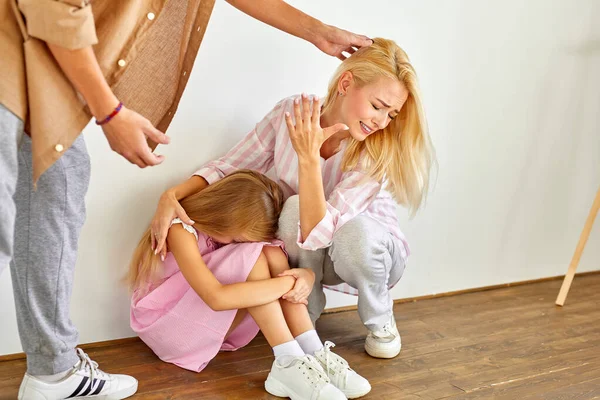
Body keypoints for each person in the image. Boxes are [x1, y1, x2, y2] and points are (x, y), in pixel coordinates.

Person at [0, 0, 373, 398]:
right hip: (15, 64)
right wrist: (109, 112)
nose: (383, 120)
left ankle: (308, 355)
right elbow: (55, 10)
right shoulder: (185, 230)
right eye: (380, 107)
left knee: (59, 197)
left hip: (40, 77)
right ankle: (288, 361)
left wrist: (315, 31)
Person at [151, 38, 436, 362]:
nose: (382, 122)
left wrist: (308, 160)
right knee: (291, 209)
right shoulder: (291, 113)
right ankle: (305, 315)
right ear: (346, 83)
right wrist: (171, 195)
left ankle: (379, 318)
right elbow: (230, 165)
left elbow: (324, 229)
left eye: (392, 114)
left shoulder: (375, 150)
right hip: (313, 253)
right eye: (377, 106)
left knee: (353, 233)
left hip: (369, 254)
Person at [129, 169, 372, 399]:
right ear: (224, 215)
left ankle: (312, 351)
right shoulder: (180, 230)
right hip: (169, 327)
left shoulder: (223, 236)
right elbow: (216, 299)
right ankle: (287, 360)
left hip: (201, 321)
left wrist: (306, 275)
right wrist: (290, 283)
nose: (235, 242)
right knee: (253, 256)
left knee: (272, 253)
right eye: (236, 237)